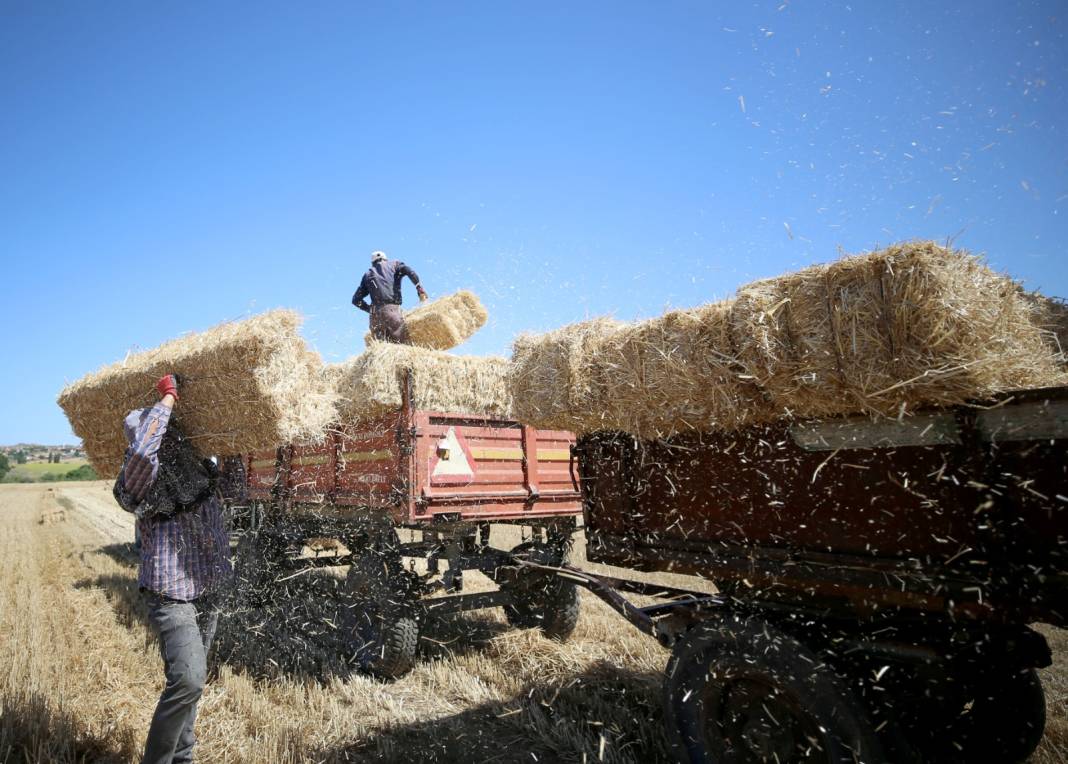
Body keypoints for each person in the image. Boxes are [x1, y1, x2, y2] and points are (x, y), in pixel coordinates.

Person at [113, 373, 232, 764]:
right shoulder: (139, 477)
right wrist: (167, 398)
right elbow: (147, 449)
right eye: (162, 427)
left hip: (209, 586)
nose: (171, 436)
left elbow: (237, 491)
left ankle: (184, 758)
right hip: (171, 591)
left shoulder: (199, 469)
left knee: (191, 687)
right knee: (187, 679)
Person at [351, 250, 428, 344]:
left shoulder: (368, 275)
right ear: (385, 259)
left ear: (372, 263)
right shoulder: (394, 265)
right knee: (403, 348)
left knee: (382, 352)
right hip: (392, 313)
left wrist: (370, 310)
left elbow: (355, 300)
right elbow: (409, 271)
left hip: (375, 318)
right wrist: (418, 287)